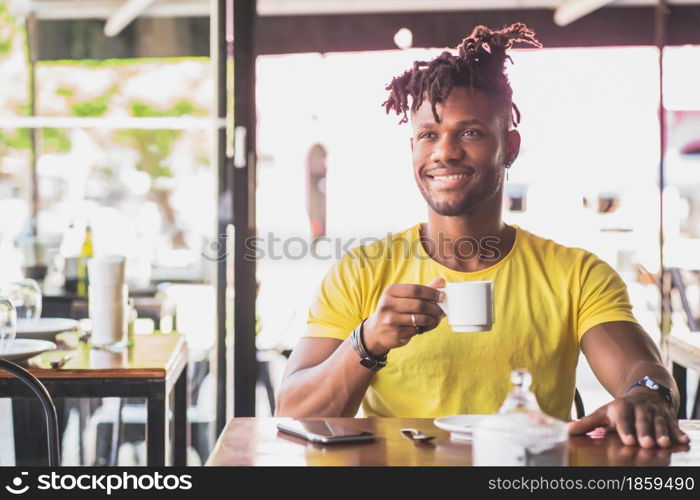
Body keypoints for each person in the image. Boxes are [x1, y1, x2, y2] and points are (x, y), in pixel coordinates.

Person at [276, 23, 689, 449]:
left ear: (509, 147)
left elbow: (640, 370)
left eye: (469, 132)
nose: (444, 152)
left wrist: (647, 396)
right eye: (428, 135)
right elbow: (290, 410)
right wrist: (366, 342)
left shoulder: (577, 274)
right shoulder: (361, 272)